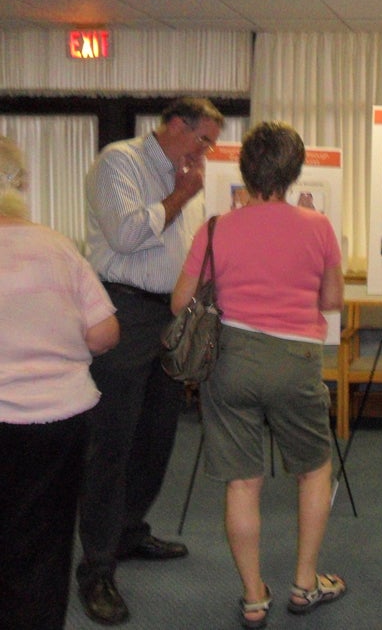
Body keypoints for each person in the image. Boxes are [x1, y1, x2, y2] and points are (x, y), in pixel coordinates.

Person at [171, 121, 346, 629]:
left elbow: (181, 301)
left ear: (246, 170)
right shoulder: (317, 227)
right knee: (313, 469)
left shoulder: (217, 228)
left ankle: (252, 597)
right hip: (297, 361)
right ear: (293, 172)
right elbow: (332, 300)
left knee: (242, 483)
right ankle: (305, 582)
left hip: (231, 361)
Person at [77, 97, 224, 625]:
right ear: (176, 126)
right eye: (203, 138)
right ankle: (95, 568)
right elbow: (125, 235)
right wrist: (183, 194)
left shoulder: (190, 174)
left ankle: (129, 532)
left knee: (157, 435)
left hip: (170, 315)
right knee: (111, 443)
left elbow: (184, 250)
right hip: (122, 309)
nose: (207, 150)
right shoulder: (121, 161)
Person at [0, 135, 120, 630]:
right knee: (48, 535)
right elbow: (104, 333)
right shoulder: (58, 247)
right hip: (59, 419)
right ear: (21, 184)